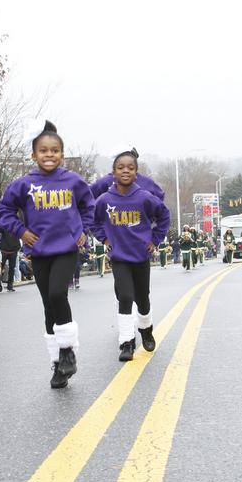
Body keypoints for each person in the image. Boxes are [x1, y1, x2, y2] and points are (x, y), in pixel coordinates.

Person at [0, 121, 95, 388]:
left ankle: (68, 352)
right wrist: (20, 231)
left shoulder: (73, 181)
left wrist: (84, 229)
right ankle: (57, 365)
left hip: (66, 249)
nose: (49, 155)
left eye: (54, 150)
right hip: (39, 251)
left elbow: (89, 206)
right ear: (33, 155)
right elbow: (4, 211)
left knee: (57, 294)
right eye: (43, 150)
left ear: (62, 155)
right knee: (48, 305)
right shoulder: (24, 184)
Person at [93, 149, 170, 361]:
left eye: (130, 168)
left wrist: (155, 240)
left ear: (136, 173)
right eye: (121, 168)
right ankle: (126, 342)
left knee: (142, 297)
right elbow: (93, 219)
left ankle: (146, 330)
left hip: (141, 256)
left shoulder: (145, 197)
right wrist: (104, 239)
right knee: (125, 296)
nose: (125, 171)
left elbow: (164, 216)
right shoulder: (104, 199)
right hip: (119, 257)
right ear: (113, 172)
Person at [89, 149, 166, 201]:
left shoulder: (146, 182)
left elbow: (160, 200)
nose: (126, 170)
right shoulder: (104, 183)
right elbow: (87, 200)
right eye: (121, 167)